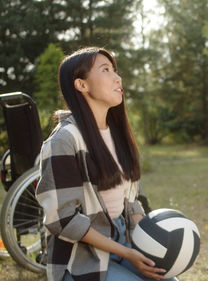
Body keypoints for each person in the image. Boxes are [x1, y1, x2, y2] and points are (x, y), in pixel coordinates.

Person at [36, 47, 178, 281]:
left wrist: (165, 241)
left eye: (115, 70)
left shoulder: (118, 134)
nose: (117, 77)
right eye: (105, 70)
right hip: (81, 257)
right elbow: (62, 220)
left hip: (126, 241)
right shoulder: (65, 140)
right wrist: (127, 253)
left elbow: (132, 204)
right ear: (81, 85)